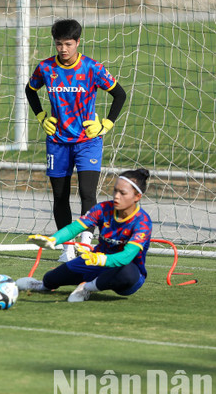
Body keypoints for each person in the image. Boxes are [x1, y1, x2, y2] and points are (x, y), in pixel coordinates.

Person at [25, 19, 126, 262]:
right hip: (57, 142)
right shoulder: (45, 68)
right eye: (59, 44)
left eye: (68, 44)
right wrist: (41, 116)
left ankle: (85, 245)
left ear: (78, 42)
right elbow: (30, 90)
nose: (63, 49)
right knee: (59, 195)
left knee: (87, 193)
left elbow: (119, 94)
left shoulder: (92, 68)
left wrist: (106, 125)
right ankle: (66, 248)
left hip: (87, 142)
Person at [17, 169, 152, 302]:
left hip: (127, 272)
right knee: (52, 278)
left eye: (122, 193)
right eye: (115, 190)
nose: (116, 196)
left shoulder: (142, 222)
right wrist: (53, 240)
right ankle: (40, 285)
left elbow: (126, 256)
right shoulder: (103, 209)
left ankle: (87, 287)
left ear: (137, 197)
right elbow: (73, 229)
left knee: (127, 274)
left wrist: (100, 259)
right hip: (95, 260)